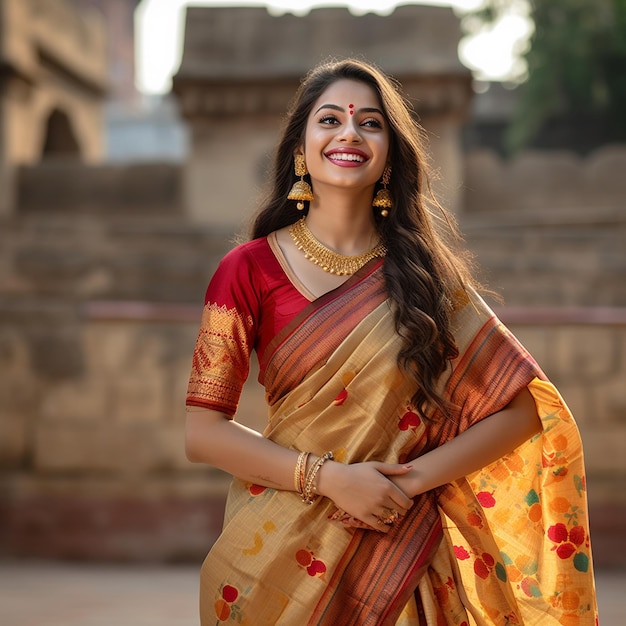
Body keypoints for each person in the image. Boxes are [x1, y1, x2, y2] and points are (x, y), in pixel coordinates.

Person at [185, 58, 598, 625]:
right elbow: (203, 433)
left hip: (402, 554)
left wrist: (407, 483)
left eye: (370, 123)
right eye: (330, 119)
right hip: (280, 554)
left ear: (389, 156)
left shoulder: (427, 278)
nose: (349, 132)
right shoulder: (247, 270)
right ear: (301, 149)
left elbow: (524, 411)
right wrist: (331, 479)